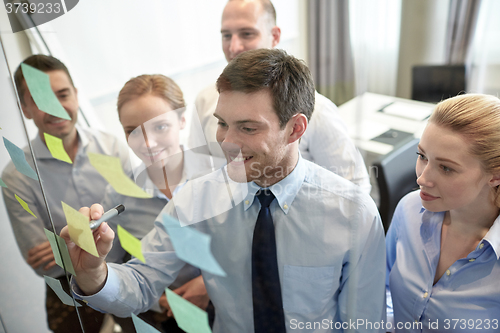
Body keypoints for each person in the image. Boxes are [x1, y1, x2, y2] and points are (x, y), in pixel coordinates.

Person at [62, 49, 386, 332]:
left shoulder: (353, 213)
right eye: (222, 123)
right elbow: (143, 281)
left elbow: (363, 323)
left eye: (247, 127)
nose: (227, 142)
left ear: (296, 129)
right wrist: (95, 274)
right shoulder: (197, 199)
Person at [1, 55, 131, 333]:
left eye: (62, 95)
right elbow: (44, 264)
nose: (55, 108)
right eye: (39, 99)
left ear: (76, 95)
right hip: (69, 292)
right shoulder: (16, 176)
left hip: (128, 272)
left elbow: (138, 223)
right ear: (25, 109)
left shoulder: (112, 147)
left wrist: (64, 243)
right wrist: (105, 231)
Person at [188, 0, 371, 193]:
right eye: (226, 35)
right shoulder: (205, 101)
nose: (234, 47)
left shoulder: (318, 111)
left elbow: (355, 188)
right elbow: (196, 174)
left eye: (247, 34)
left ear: (274, 36)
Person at [103, 74, 224, 331]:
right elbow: (111, 266)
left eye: (159, 127)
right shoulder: (118, 196)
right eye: (133, 131)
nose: (148, 143)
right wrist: (158, 301)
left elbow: (249, 245)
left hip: (229, 307)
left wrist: (207, 284)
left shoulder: (219, 174)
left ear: (181, 120)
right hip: (162, 318)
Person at [386, 94, 500, 332]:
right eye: (422, 156)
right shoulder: (409, 209)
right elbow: (382, 286)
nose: (421, 178)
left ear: (495, 175)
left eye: (446, 168)